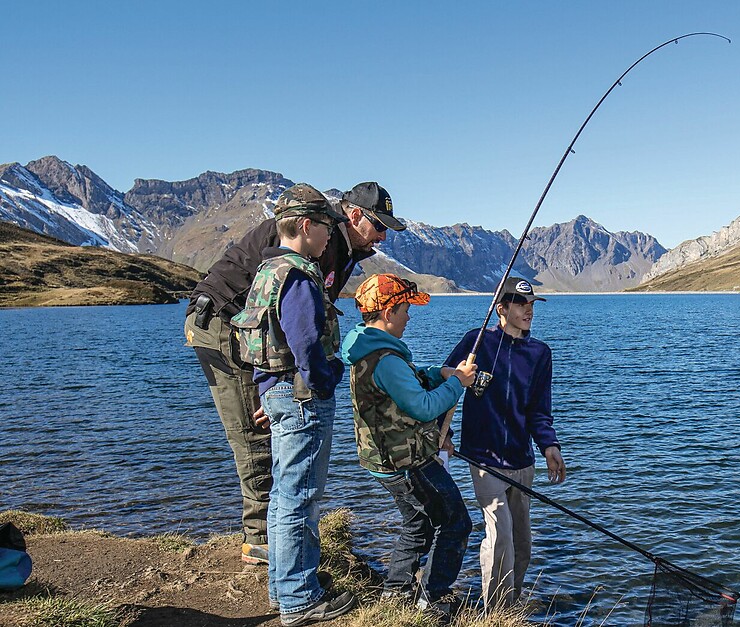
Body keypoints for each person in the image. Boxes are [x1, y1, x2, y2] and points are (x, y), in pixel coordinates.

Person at [184, 181, 405, 565]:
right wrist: (273, 386)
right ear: (354, 216)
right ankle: (261, 540)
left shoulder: (341, 245)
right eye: (379, 225)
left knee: (271, 415)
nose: (383, 236)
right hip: (221, 323)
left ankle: (279, 536)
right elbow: (292, 325)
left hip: (253, 330)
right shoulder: (320, 237)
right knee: (254, 428)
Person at [229, 183, 355, 625]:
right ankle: (301, 599)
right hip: (302, 397)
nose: (329, 237)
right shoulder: (299, 275)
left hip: (276, 392)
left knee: (284, 496)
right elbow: (304, 342)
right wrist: (327, 380)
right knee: (301, 495)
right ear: (306, 226)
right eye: (325, 227)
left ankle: (283, 590)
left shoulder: (268, 271)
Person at [342, 274, 477, 614]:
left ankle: (395, 594)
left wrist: (439, 373)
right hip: (410, 463)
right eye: (405, 310)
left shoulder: (368, 351)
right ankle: (432, 599)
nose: (409, 317)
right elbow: (423, 406)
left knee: (417, 525)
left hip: (384, 463)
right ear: (388, 313)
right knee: (457, 523)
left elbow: (409, 380)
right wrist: (458, 383)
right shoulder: (386, 359)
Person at [445, 276, 566, 611]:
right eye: (520, 303)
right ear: (501, 309)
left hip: (522, 460)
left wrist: (549, 447)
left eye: (531, 304)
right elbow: (445, 377)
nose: (528, 309)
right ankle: (495, 611)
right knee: (499, 537)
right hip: (483, 458)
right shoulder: (477, 341)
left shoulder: (540, 353)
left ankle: (510, 604)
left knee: (522, 544)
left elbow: (539, 410)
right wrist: (460, 376)